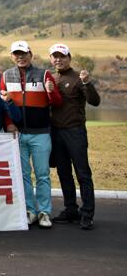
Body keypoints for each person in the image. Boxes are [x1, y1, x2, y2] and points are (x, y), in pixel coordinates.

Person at [0, 40, 62, 229]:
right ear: (12, 56)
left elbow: (57, 103)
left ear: (30, 54)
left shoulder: (44, 74)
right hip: (18, 135)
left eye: (23, 53)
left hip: (41, 134)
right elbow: (4, 105)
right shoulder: (6, 76)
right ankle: (30, 210)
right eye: (16, 54)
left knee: (42, 174)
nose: (20, 57)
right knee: (23, 175)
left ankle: (44, 211)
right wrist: (9, 124)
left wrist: (50, 92)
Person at [49, 43, 101, 230]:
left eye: (62, 56)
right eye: (55, 56)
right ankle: (71, 209)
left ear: (69, 58)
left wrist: (87, 83)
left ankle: (87, 213)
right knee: (63, 173)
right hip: (56, 132)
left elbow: (95, 101)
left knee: (82, 173)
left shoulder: (78, 78)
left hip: (75, 131)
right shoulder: (51, 78)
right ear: (51, 59)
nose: (58, 59)